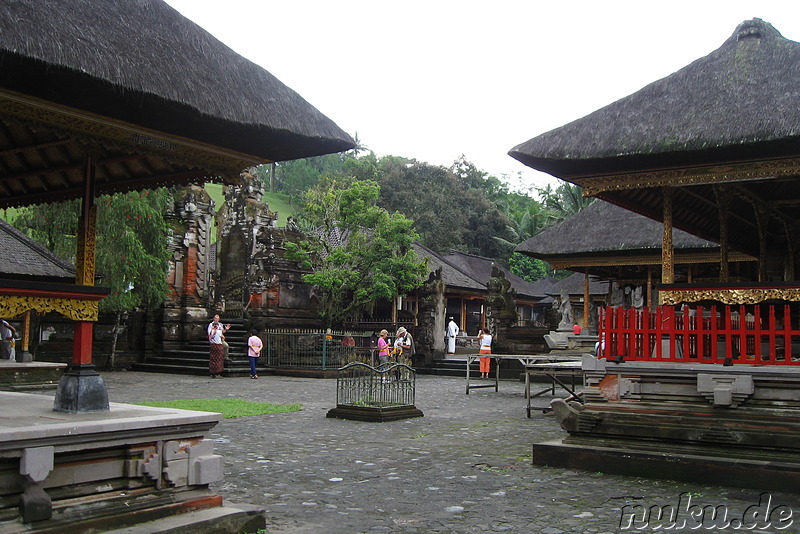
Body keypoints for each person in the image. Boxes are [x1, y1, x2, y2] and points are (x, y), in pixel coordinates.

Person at [207, 314, 230, 378]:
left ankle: (216, 372)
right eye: (215, 318)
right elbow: (211, 335)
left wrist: (226, 329)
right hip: (215, 344)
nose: (216, 320)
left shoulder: (220, 326)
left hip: (218, 343)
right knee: (215, 359)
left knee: (218, 358)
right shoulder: (211, 327)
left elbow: (222, 333)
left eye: (218, 318)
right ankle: (215, 372)